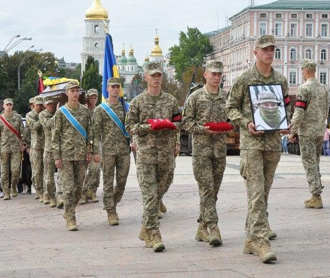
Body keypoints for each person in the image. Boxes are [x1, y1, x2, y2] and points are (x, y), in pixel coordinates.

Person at [226, 35, 290, 264]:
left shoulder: (281, 80)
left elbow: (285, 107)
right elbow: (231, 106)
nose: (269, 53)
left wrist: (285, 123)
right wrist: (245, 123)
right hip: (251, 144)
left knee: (263, 194)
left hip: (273, 144)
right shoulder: (245, 79)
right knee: (256, 193)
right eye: (265, 49)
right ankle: (262, 241)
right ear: (255, 52)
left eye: (272, 49)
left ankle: (251, 238)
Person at [125, 61, 182, 253]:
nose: (156, 79)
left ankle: (145, 227)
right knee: (150, 195)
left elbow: (178, 122)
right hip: (146, 155)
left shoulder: (171, 101)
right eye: (153, 75)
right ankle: (154, 233)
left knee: (159, 192)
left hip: (166, 155)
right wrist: (151, 126)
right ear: (146, 78)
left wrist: (174, 137)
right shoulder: (138, 102)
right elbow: (130, 126)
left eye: (159, 75)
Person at [183, 60, 229, 247]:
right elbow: (186, 123)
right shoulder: (195, 97)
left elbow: (233, 119)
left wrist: (228, 126)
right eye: (213, 74)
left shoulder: (226, 98)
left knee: (213, 191)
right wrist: (203, 129)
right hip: (201, 151)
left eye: (219, 74)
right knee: (207, 189)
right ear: (206, 75)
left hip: (219, 151)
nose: (216, 77)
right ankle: (213, 227)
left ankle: (201, 227)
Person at [51, 80, 96, 231]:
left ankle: (68, 210)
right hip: (66, 156)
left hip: (82, 156)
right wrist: (56, 156)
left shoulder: (85, 111)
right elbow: (55, 136)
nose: (75, 93)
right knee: (68, 188)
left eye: (77, 91)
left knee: (78, 189)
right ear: (67, 93)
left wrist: (89, 151)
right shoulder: (61, 112)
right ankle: (70, 216)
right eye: (72, 91)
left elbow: (90, 134)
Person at [289, 59, 330, 209]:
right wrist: (322, 125)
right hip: (320, 130)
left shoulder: (303, 88)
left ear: (306, 70)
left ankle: (316, 196)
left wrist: (292, 131)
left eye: (301, 71)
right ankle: (315, 194)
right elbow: (326, 111)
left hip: (307, 131)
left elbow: (299, 112)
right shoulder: (323, 89)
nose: (301, 73)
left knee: (309, 163)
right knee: (316, 162)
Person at [92, 78, 131, 226]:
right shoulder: (100, 110)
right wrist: (95, 151)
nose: (115, 89)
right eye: (112, 87)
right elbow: (95, 133)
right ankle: (111, 211)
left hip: (123, 150)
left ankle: (112, 203)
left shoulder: (125, 108)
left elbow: (130, 127)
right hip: (107, 151)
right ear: (107, 89)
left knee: (121, 181)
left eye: (117, 87)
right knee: (108, 182)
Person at [0, 98, 25, 200]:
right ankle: (6, 192)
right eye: (7, 105)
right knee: (4, 172)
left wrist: (23, 144)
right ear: (3, 106)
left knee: (16, 171)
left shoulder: (18, 118)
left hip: (16, 148)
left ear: (12, 106)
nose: (9, 106)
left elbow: (22, 133)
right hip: (4, 149)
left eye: (10, 104)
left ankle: (14, 186)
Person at [80, 88, 101, 204]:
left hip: (96, 143)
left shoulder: (99, 111)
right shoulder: (83, 110)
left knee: (96, 169)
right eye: (91, 98)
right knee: (83, 170)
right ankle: (82, 193)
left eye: (95, 98)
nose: (93, 100)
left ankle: (92, 190)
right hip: (83, 143)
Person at [40, 96, 61, 208]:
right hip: (49, 149)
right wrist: (57, 113)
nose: (50, 106)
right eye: (48, 104)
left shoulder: (59, 112)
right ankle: (51, 196)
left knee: (62, 176)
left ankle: (61, 196)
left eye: (52, 104)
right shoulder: (42, 115)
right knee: (49, 176)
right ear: (44, 105)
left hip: (60, 149)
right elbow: (47, 124)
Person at [27, 96, 46, 202]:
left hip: (47, 146)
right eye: (37, 105)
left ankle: (46, 190)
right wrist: (42, 119)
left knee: (47, 170)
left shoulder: (46, 112)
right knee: (37, 171)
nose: (39, 107)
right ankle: (39, 190)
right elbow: (34, 127)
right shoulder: (30, 115)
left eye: (41, 105)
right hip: (36, 147)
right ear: (34, 105)